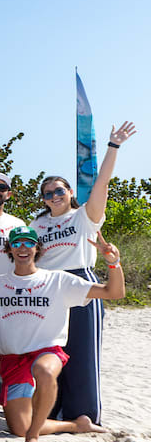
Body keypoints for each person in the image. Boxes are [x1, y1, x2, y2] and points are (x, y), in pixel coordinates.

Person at [0, 227, 120, 442]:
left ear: (37, 248)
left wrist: (113, 263)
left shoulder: (58, 279)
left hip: (48, 351)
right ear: (9, 249)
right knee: (19, 427)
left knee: (44, 370)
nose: (22, 248)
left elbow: (114, 292)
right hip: (13, 360)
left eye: (29, 243)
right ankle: (76, 425)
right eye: (17, 243)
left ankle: (34, 438)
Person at [31, 120, 136, 425]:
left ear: (69, 191)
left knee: (83, 352)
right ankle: (51, 410)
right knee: (51, 351)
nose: (54, 196)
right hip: (48, 287)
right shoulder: (37, 225)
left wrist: (113, 146)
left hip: (81, 283)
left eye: (59, 190)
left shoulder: (84, 217)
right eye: (48, 193)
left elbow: (101, 183)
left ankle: (84, 414)